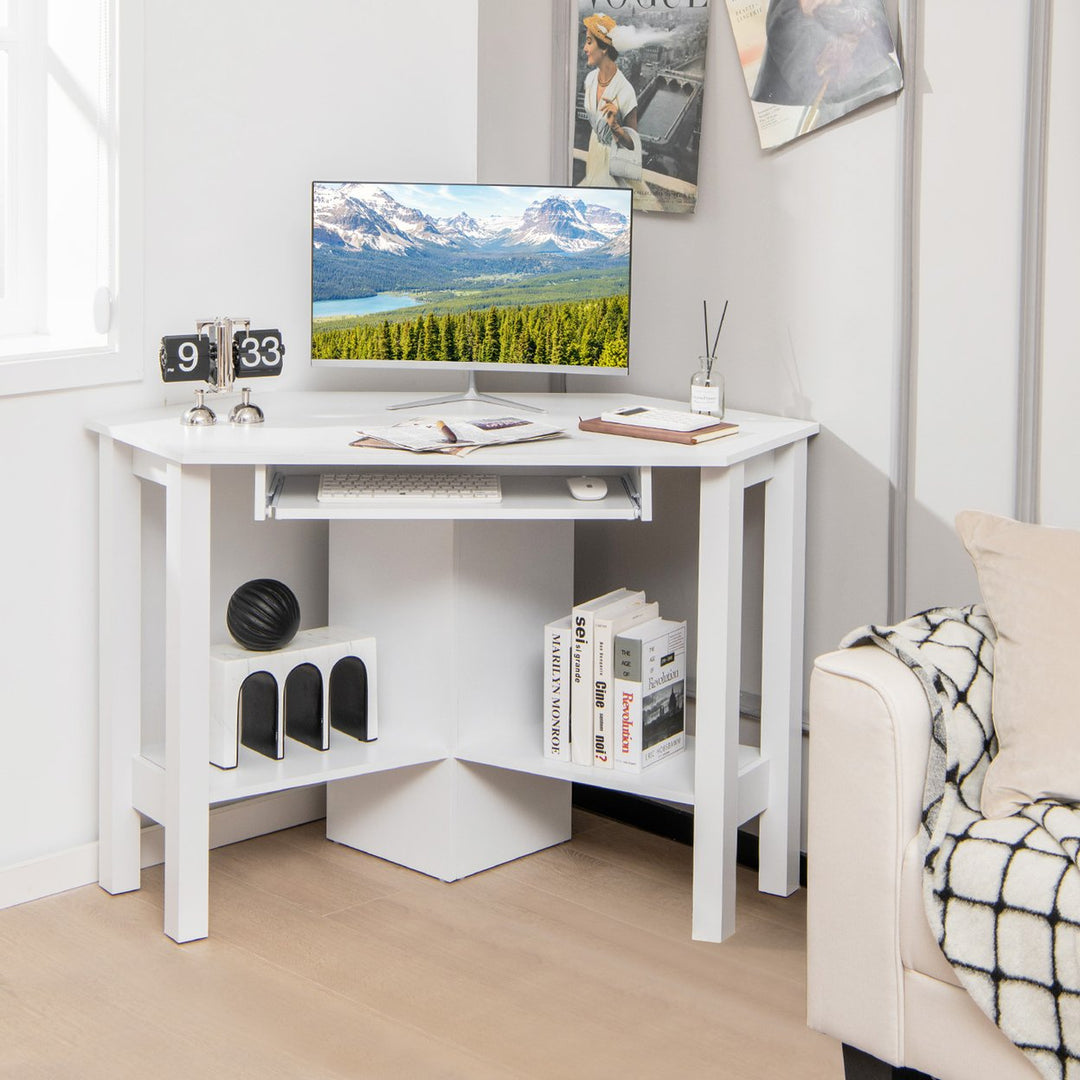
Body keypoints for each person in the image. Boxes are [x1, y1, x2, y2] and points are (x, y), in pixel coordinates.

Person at [578, 14, 642, 190]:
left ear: (604, 47)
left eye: (589, 42)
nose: (584, 48)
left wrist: (615, 126)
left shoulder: (626, 91)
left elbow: (633, 146)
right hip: (593, 156)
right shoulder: (590, 79)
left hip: (613, 165)